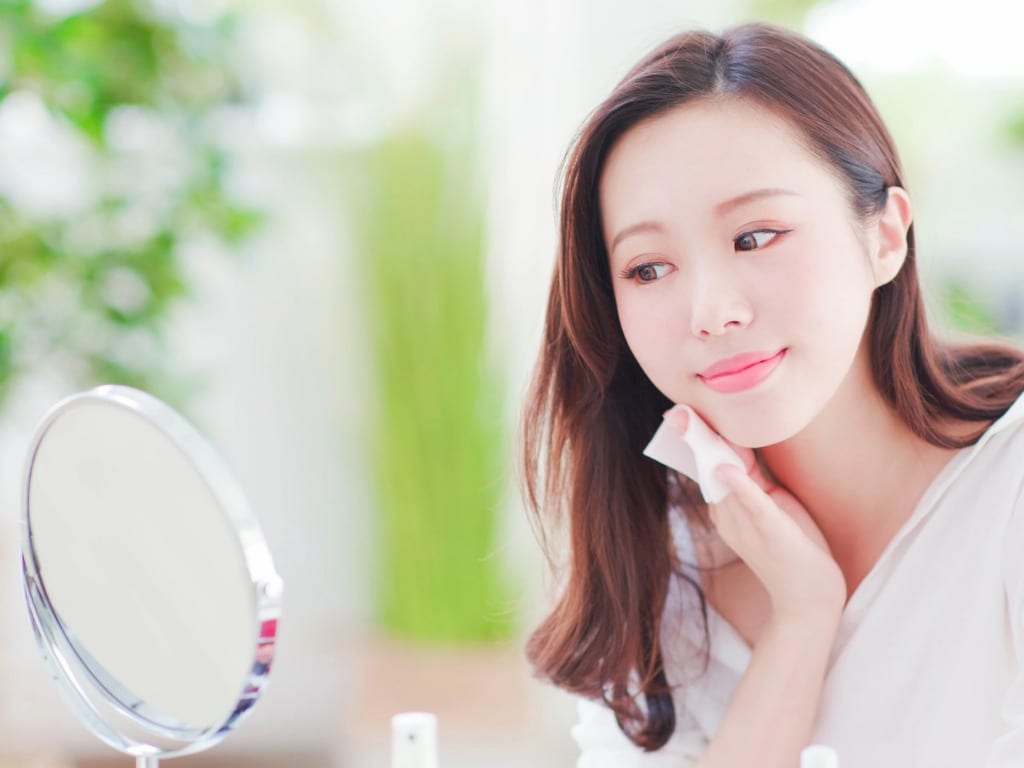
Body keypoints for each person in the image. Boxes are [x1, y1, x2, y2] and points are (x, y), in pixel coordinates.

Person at [519, 21, 1024, 768]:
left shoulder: (1006, 488)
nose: (710, 312)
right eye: (649, 268)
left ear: (885, 237)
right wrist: (801, 618)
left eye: (755, 237)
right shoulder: (655, 556)